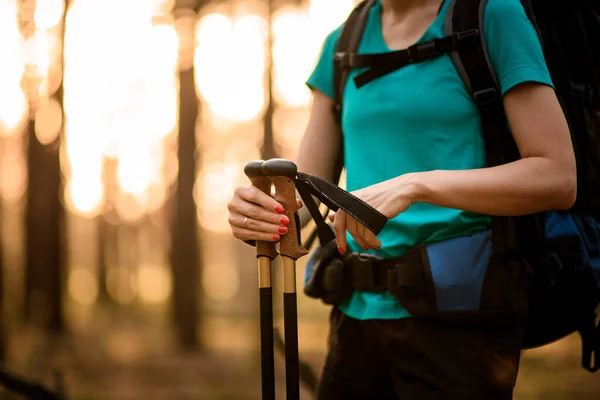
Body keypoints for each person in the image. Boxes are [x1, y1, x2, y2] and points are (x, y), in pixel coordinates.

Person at [228, 0, 576, 398]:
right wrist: (260, 215)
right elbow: (302, 199)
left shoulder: (490, 16)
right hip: (355, 314)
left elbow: (558, 176)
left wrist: (417, 185)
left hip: (462, 319)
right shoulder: (343, 42)